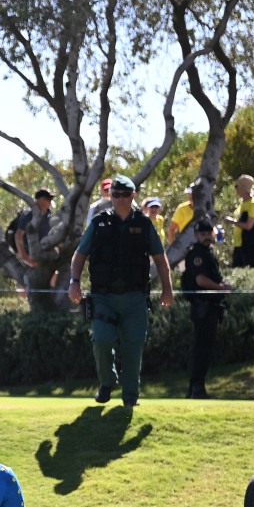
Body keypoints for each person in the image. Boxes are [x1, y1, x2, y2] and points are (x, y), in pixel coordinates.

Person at [66, 175, 174, 409]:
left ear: (133, 195)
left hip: (135, 297)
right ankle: (107, 381)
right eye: (116, 195)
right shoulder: (99, 223)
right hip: (103, 297)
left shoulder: (144, 224)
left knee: (133, 347)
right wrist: (74, 282)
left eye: (125, 195)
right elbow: (80, 255)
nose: (120, 199)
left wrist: (168, 288)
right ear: (110, 196)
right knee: (102, 340)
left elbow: (160, 258)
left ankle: (130, 398)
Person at [180, 216, 230, 400]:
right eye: (203, 234)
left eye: (209, 233)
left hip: (210, 306)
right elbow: (200, 280)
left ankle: (194, 388)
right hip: (203, 306)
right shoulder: (198, 254)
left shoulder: (207, 253)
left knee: (204, 348)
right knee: (202, 348)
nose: (207, 236)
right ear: (196, 235)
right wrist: (221, 288)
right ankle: (196, 387)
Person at [14, 189, 59, 312]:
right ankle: (24, 307)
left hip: (46, 255)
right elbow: (18, 235)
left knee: (53, 276)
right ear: (38, 200)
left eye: (50, 199)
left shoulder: (50, 215)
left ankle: (49, 304)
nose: (49, 201)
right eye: (47, 198)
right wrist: (24, 255)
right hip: (29, 255)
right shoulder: (29, 215)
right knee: (27, 282)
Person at [228, 175, 254, 269]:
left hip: (250, 246)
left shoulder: (253, 204)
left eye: (237, 186)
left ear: (243, 188)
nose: (236, 189)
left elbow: (249, 226)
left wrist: (232, 222)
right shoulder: (242, 202)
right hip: (239, 243)